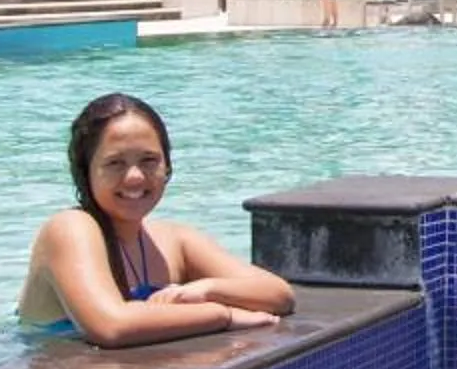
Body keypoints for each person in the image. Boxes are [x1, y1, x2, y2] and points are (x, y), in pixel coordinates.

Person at [17, 93, 298, 346]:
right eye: (115, 163)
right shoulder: (69, 228)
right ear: (85, 172)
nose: (135, 177)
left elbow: (278, 294)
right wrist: (223, 314)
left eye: (149, 160)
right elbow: (112, 327)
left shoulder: (173, 240)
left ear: (167, 166)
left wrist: (205, 289)